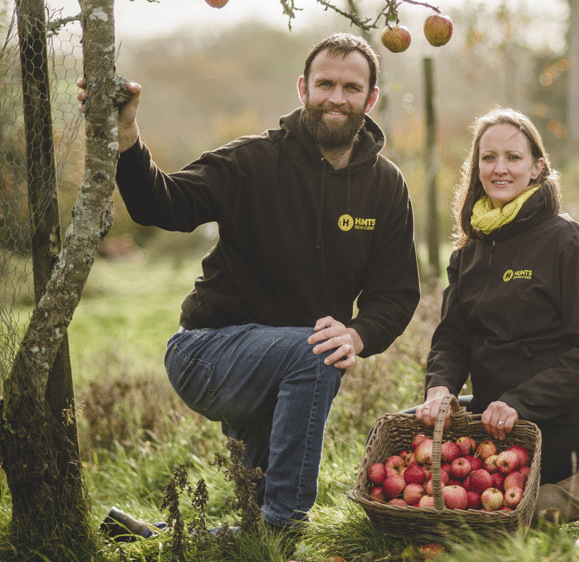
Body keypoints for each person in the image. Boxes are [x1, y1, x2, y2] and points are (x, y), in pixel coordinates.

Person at [77, 33, 420, 540]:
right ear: (303, 87)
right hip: (210, 350)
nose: (336, 97)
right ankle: (288, 531)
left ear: (370, 100)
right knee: (316, 353)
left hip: (286, 371)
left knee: (250, 524)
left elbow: (396, 293)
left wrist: (357, 335)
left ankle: (152, 537)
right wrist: (127, 138)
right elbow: (161, 204)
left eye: (351, 87)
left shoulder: (386, 186)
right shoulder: (253, 161)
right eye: (325, 83)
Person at [412, 107, 579, 525]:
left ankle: (578, 493)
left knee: (476, 500)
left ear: (537, 168)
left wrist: (520, 402)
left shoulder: (566, 242)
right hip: (491, 414)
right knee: (413, 443)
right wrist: (439, 388)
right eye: (488, 157)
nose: (500, 168)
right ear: (475, 166)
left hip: (558, 423)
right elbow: (453, 336)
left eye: (513, 158)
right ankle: (558, 496)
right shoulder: (470, 249)